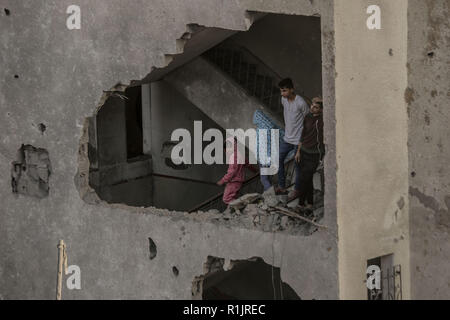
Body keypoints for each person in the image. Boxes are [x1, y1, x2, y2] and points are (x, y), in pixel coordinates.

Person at [275, 78, 309, 196]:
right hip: (287, 138)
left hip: (298, 140)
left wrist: (302, 141)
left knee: (297, 165)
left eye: (284, 91)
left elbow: (308, 121)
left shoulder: (301, 103)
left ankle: (297, 190)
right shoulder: (283, 100)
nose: (282, 93)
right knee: (278, 159)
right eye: (281, 91)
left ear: (292, 89)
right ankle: (282, 186)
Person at [293, 97, 324, 209]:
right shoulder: (307, 117)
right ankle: (310, 203)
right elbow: (303, 134)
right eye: (312, 105)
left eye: (316, 107)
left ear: (321, 110)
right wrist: (298, 151)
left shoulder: (323, 120)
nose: (312, 108)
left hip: (315, 155)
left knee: (303, 178)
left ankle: (301, 204)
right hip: (303, 152)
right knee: (308, 178)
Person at [217, 137, 257, 204]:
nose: (226, 151)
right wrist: (255, 171)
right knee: (232, 197)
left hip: (234, 181)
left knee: (226, 199)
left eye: (226, 149)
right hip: (238, 181)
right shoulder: (240, 155)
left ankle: (243, 204)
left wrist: (222, 180)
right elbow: (248, 165)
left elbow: (232, 172)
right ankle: (238, 208)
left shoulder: (233, 157)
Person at [252, 109, 284, 192]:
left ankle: (272, 193)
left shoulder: (261, 130)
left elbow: (260, 146)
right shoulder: (271, 127)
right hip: (272, 157)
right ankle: (272, 191)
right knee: (268, 177)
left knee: (264, 178)